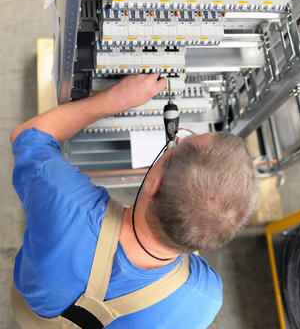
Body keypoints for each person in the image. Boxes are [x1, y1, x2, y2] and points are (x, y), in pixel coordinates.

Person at [10, 74, 259, 328]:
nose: (177, 140)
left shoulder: (66, 203)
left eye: (179, 144)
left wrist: (113, 100)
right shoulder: (206, 298)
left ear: (155, 184)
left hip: (33, 315)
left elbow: (28, 136)